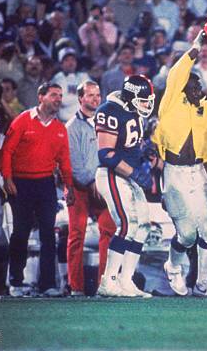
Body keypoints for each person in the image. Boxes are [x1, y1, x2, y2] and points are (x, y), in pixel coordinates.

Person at [152, 31, 207, 296]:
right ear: (183, 88)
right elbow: (176, 75)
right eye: (194, 85)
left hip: (199, 172)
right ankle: (173, 266)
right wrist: (196, 47)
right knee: (187, 233)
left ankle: (203, 283)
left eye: (200, 86)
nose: (198, 89)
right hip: (175, 172)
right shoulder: (169, 104)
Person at [1, 82, 74, 297]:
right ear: (40, 97)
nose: (58, 99)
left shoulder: (60, 128)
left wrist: (68, 186)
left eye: (60, 95)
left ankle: (47, 285)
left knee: (48, 235)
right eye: (54, 95)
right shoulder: (23, 120)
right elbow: (7, 151)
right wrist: (7, 178)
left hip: (45, 185)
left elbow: (65, 161)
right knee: (21, 233)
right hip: (21, 184)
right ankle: (15, 282)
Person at [94, 74, 155, 298]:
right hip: (112, 174)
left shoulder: (131, 112)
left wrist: (144, 151)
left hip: (128, 175)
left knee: (143, 227)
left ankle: (126, 280)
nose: (147, 105)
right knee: (128, 225)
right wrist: (135, 174)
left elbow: (128, 145)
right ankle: (108, 281)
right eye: (143, 100)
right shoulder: (109, 110)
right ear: (131, 96)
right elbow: (106, 153)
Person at [65, 80, 116, 296]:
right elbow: (74, 164)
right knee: (77, 234)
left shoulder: (106, 122)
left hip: (102, 184)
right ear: (80, 98)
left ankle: (104, 284)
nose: (96, 99)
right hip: (80, 187)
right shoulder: (71, 127)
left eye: (98, 95)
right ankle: (76, 287)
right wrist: (93, 180)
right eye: (90, 95)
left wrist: (102, 179)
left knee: (109, 231)